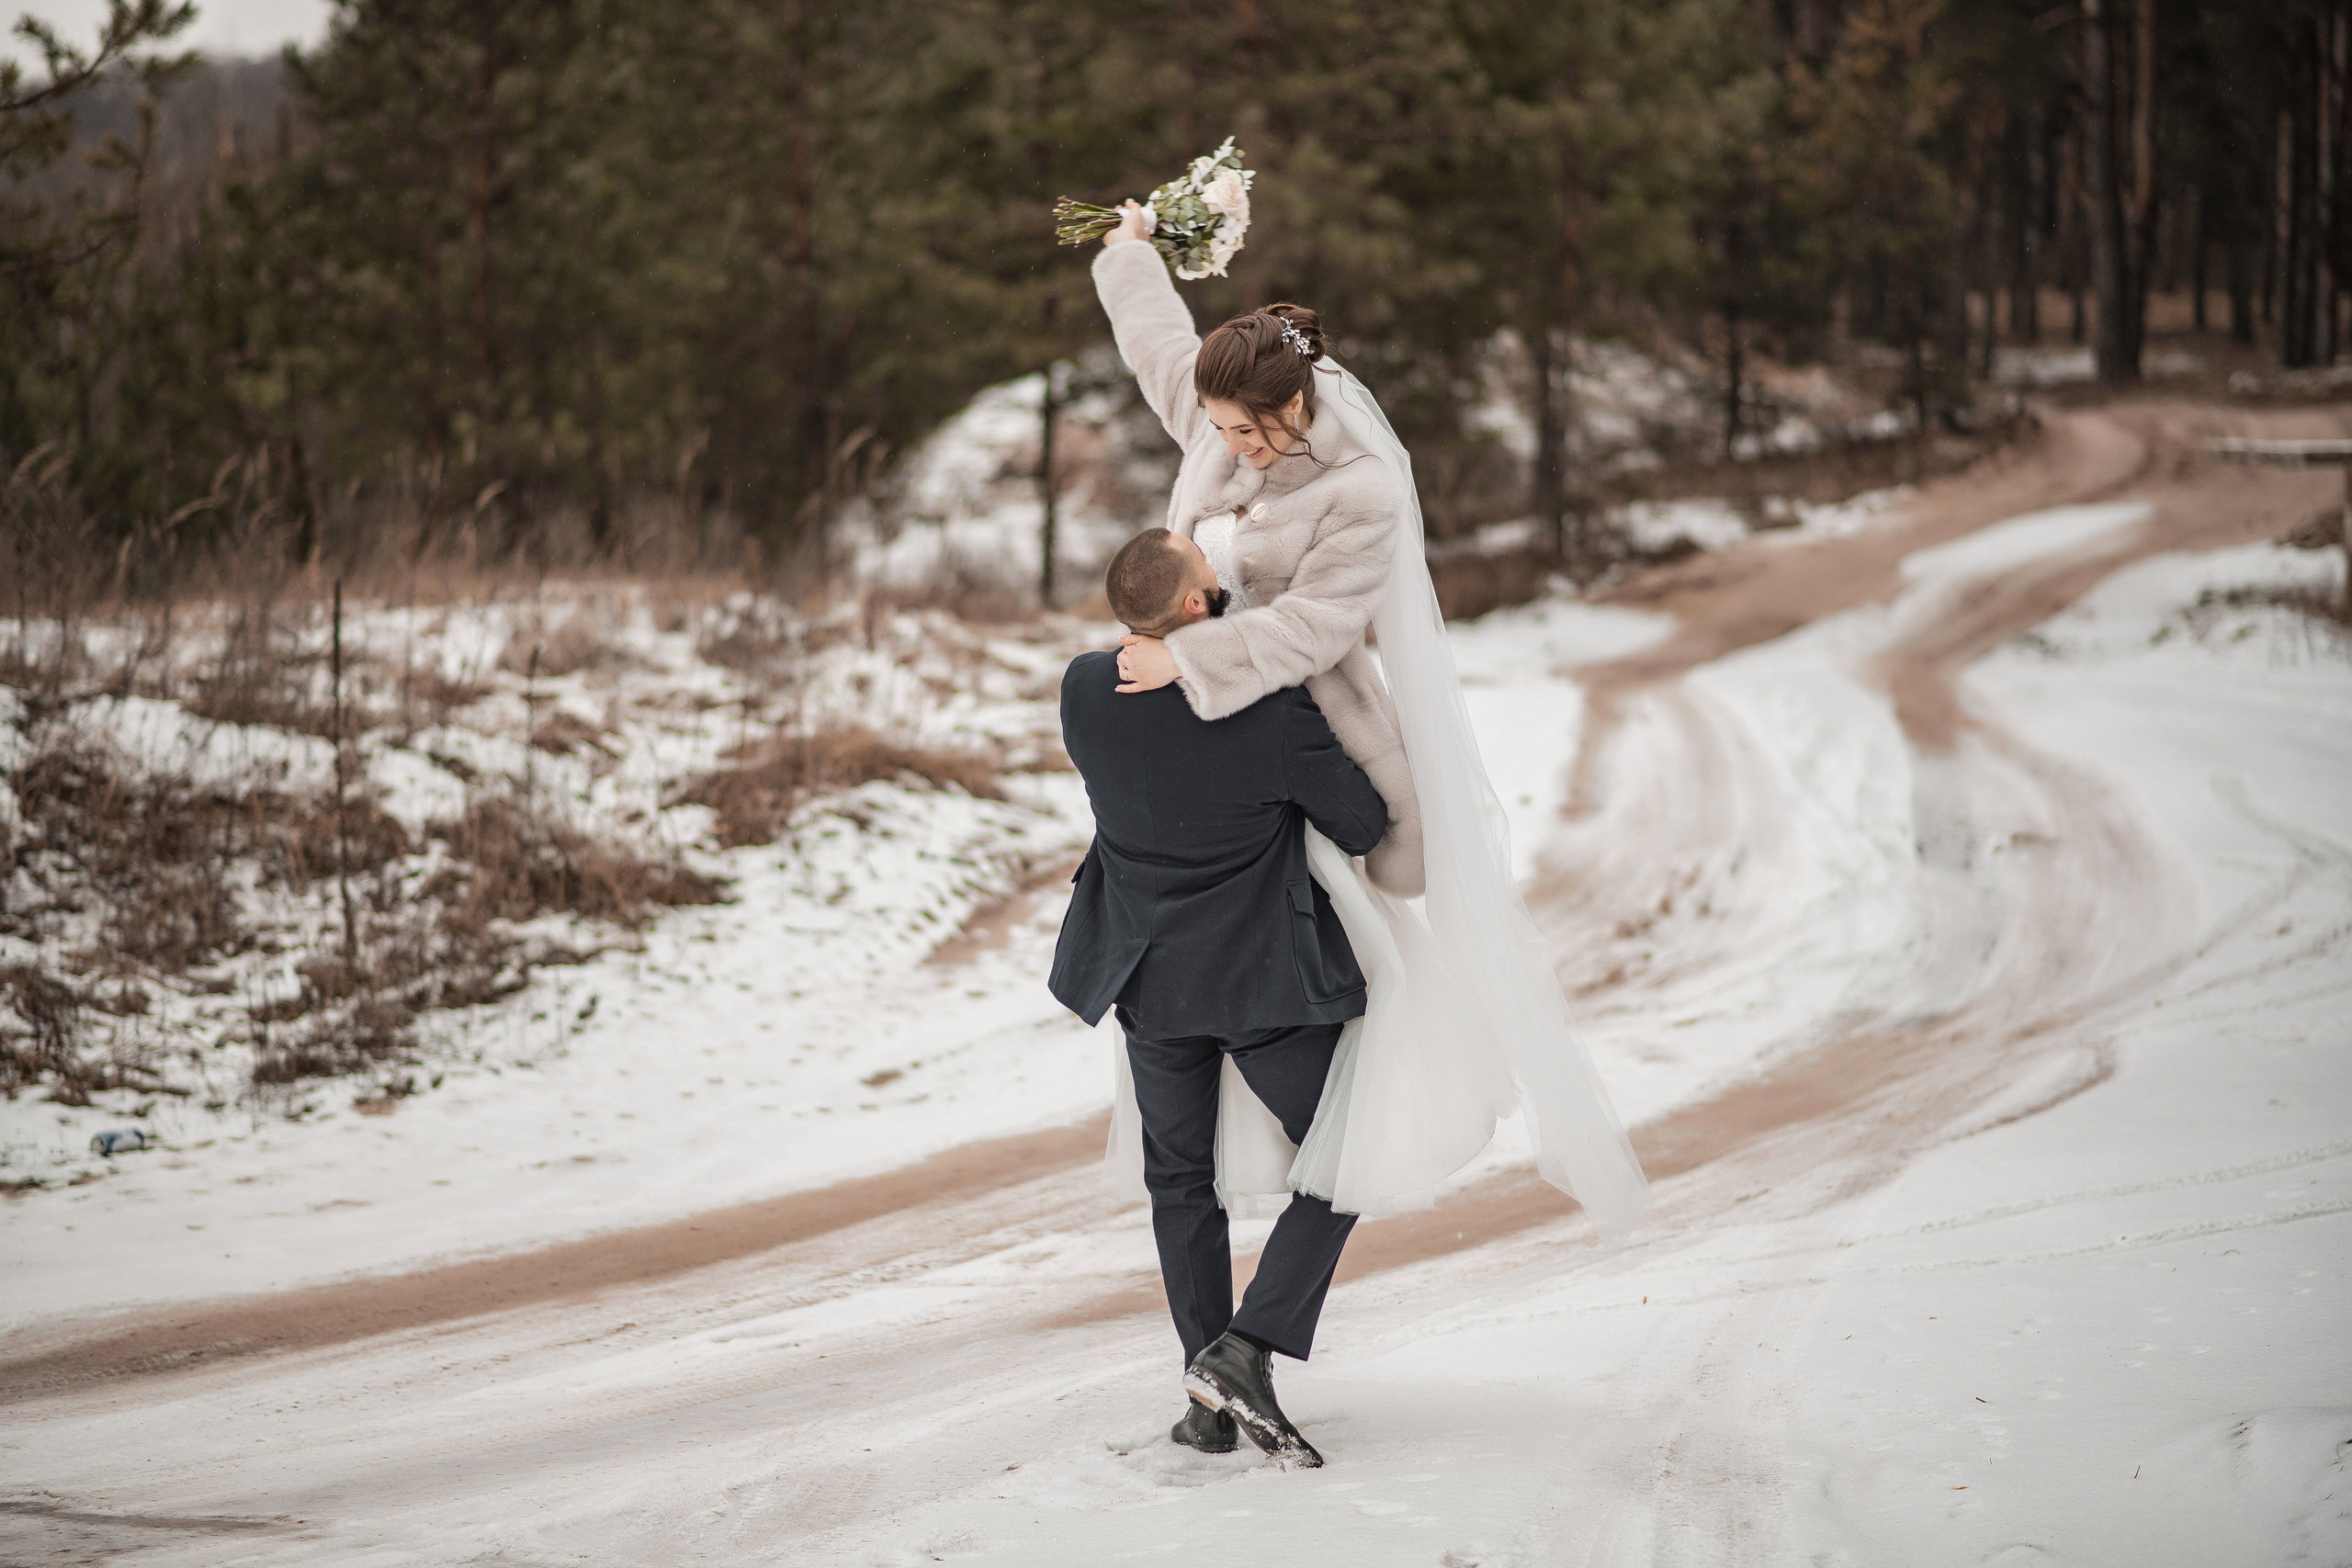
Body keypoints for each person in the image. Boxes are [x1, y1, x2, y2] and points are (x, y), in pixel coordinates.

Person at [1084, 201, 1654, 1234]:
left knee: (1322, 984)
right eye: (1216, 430)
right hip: (1200, 731)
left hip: (1307, 739)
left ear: (1296, 404)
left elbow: (1313, 625)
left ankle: (1371, 1143)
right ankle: (1219, 1213)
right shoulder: (1217, 430)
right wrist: (1127, 255)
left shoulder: (1360, 489)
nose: (1230, 449)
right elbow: (1159, 348)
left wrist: (1190, 654)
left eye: (1249, 430)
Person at [1050, 535, 1389, 1469]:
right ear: (1201, 612)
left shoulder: (1084, 688)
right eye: (1214, 578)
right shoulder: (1270, 713)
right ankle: (1243, 1348)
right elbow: (1361, 823)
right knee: (1344, 1152)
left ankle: (1204, 1402)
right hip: (1260, 983)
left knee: (1179, 1184)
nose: (1227, 583)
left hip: (1145, 981)